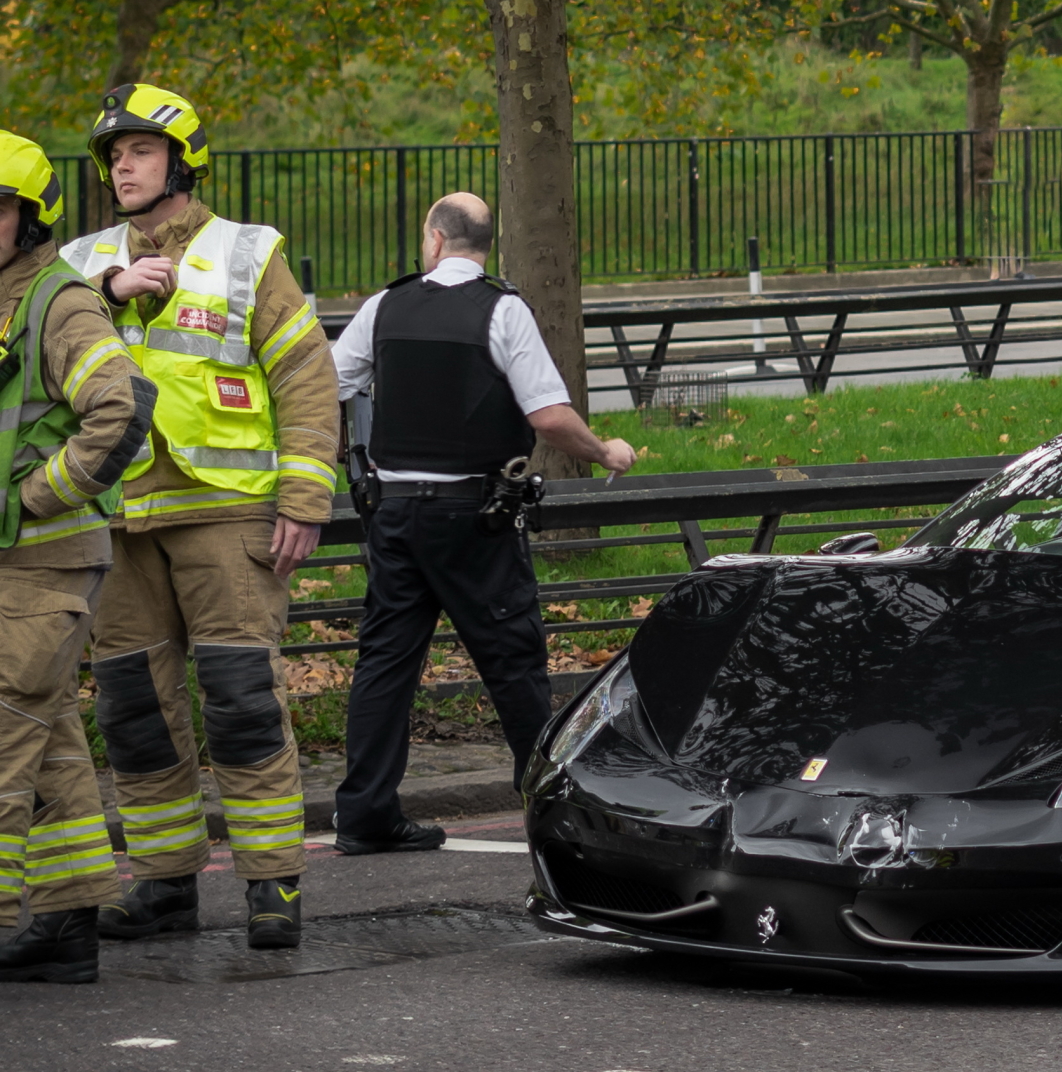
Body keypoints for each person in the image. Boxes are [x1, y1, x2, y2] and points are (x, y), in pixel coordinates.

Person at [63, 85, 337, 950]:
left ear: (182, 160)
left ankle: (272, 886)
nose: (123, 167)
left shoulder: (247, 252)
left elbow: (305, 375)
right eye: (114, 156)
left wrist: (304, 496)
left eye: (139, 151)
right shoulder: (79, 259)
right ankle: (165, 882)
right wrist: (109, 285)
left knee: (241, 699)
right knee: (134, 711)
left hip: (226, 512)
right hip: (116, 517)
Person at [329, 193, 635, 851]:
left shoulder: (386, 305)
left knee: (384, 665)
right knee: (514, 664)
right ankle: (554, 812)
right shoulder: (502, 309)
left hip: (395, 512)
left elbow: (332, 380)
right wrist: (604, 449)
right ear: (482, 245)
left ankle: (363, 813)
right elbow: (549, 416)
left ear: (435, 239)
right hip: (475, 517)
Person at [0, 136, 154, 984]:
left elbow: (120, 408)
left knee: (3, 748)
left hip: (42, 560)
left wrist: (32, 498)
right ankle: (65, 923)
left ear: (29, 219)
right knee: (49, 740)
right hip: (17, 564)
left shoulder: (56, 301)